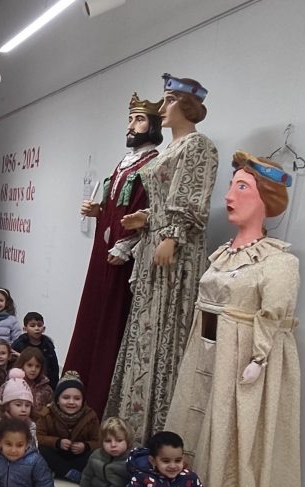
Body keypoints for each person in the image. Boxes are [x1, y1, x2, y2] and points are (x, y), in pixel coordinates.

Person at [165, 151, 300, 487]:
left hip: (238, 356)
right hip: (205, 349)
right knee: (194, 419)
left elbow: (273, 316)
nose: (229, 196)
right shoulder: (223, 254)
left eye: (242, 187)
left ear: (265, 199)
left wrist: (259, 357)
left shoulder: (278, 262)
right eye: (231, 186)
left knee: (227, 427)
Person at [107, 74, 218, 444]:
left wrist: (172, 235)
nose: (163, 107)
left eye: (170, 100)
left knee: (165, 331)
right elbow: (163, 201)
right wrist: (145, 219)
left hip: (175, 253)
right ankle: (132, 427)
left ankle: (159, 432)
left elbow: (191, 199)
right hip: (154, 246)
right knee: (145, 330)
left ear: (187, 105)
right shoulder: (171, 148)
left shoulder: (198, 145)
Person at [65, 94, 163, 414]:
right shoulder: (123, 163)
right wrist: (98, 210)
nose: (131, 126)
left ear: (154, 125)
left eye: (139, 119)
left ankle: (101, 396)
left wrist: (128, 244)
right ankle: (77, 387)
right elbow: (115, 206)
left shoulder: (154, 165)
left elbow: (153, 212)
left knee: (112, 319)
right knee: (93, 313)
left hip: (122, 259)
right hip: (102, 253)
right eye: (130, 119)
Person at [36, 372, 100, 483]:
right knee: (42, 450)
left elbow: (98, 441)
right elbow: (38, 437)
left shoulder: (90, 416)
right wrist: (57, 442)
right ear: (57, 400)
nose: (71, 402)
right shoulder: (47, 414)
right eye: (66, 398)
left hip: (77, 455)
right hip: (56, 454)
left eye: (77, 398)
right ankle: (68, 472)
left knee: (95, 455)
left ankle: (62, 471)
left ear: (83, 400)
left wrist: (85, 446)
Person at [0, 368, 37, 453]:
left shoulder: (30, 426)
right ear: (7, 406)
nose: (24, 409)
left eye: (27, 405)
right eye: (18, 405)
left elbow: (33, 451)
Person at [11, 312, 60, 390]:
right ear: (25, 329)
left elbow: (54, 368)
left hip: (44, 383)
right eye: (32, 325)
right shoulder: (18, 344)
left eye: (39, 325)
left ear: (44, 328)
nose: (37, 328)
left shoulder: (48, 344)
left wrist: (54, 387)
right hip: (22, 383)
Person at [15, 347, 53, 416]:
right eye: (29, 365)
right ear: (22, 365)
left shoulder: (46, 390)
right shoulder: (13, 384)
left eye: (37, 366)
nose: (33, 369)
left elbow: (51, 410)